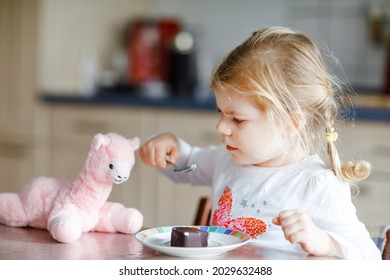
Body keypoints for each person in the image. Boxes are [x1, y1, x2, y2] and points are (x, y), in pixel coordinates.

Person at [139, 26, 381, 259]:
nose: (221, 127)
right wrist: (167, 146)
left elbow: (368, 257)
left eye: (238, 119)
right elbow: (185, 164)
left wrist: (325, 242)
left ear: (290, 123)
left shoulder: (317, 185)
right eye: (221, 113)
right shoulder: (226, 160)